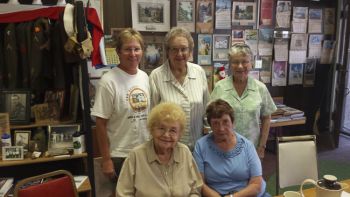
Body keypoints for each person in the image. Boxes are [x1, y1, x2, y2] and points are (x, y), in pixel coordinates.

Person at [91, 28, 150, 194]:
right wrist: (106, 159)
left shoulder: (144, 77)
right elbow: (101, 124)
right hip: (120, 155)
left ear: (142, 51)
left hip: (144, 152)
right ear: (118, 52)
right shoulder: (108, 81)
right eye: (127, 49)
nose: (133, 54)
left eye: (136, 49)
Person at [116, 102, 203, 196]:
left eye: (173, 130)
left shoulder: (185, 152)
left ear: (179, 134)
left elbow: (195, 189)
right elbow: (123, 194)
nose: (166, 135)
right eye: (161, 128)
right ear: (151, 129)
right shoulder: (136, 156)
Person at [210, 43, 276, 159]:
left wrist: (262, 146)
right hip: (224, 150)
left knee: (253, 177)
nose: (240, 66)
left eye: (245, 61)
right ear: (230, 64)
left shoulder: (260, 88)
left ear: (251, 64)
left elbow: (266, 117)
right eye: (235, 62)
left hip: (252, 150)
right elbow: (210, 118)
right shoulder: (220, 87)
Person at [193, 99, 270, 197]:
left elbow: (256, 185)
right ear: (210, 125)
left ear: (232, 122)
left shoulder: (247, 146)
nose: (221, 128)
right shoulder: (201, 146)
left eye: (225, 122)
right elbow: (200, 184)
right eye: (216, 123)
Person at [149, 27, 210, 150]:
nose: (179, 54)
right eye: (174, 49)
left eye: (184, 49)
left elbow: (206, 110)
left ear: (190, 51)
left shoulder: (199, 72)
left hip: (197, 148)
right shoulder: (156, 76)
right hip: (167, 148)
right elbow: (152, 117)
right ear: (167, 51)